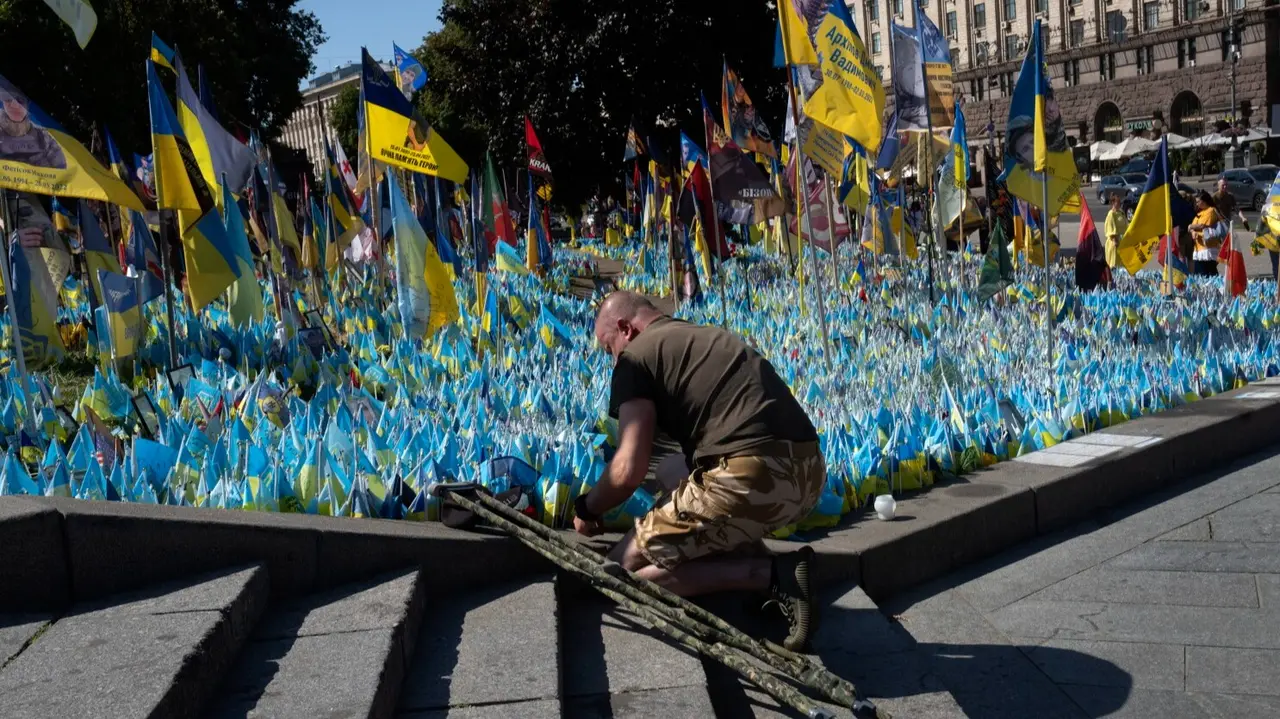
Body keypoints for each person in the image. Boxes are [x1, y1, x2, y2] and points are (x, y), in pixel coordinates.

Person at [578, 291, 825, 650]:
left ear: (625, 329)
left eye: (608, 347)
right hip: (809, 475)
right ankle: (754, 556)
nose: (611, 359)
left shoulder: (635, 358)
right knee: (670, 472)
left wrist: (588, 508)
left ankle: (769, 575)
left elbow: (628, 469)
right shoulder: (701, 334)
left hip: (751, 477)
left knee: (619, 571)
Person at [1188, 191, 1225, 276]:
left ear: (1204, 201)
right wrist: (1192, 231)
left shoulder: (1211, 210)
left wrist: (1191, 226)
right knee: (1199, 274)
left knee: (1209, 273)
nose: (1196, 204)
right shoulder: (1199, 213)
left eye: (1198, 201)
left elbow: (1203, 226)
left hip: (1208, 248)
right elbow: (1191, 227)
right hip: (1198, 248)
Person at [1104, 191, 1127, 272]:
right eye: (1118, 202)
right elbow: (1110, 229)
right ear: (1113, 203)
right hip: (1114, 243)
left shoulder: (1121, 212)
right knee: (1114, 264)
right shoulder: (1111, 214)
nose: (1120, 204)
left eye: (1120, 202)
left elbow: (1125, 225)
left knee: (1122, 265)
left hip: (1122, 241)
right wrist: (1115, 240)